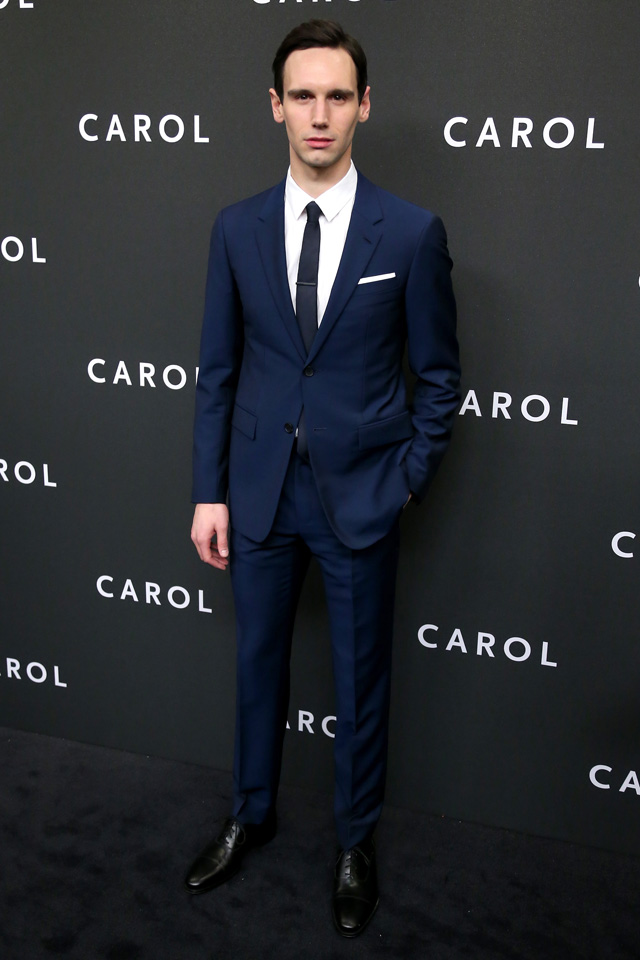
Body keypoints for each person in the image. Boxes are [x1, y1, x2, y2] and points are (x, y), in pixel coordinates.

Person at [186, 19, 460, 938]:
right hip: (258, 494)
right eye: (302, 95)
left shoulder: (412, 234)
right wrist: (210, 491)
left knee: (360, 680)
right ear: (275, 106)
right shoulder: (236, 228)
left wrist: (406, 479)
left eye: (337, 96)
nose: (319, 114)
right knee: (256, 667)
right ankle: (250, 814)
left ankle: (355, 842)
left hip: (361, 498)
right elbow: (218, 372)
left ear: (364, 106)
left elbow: (440, 377)